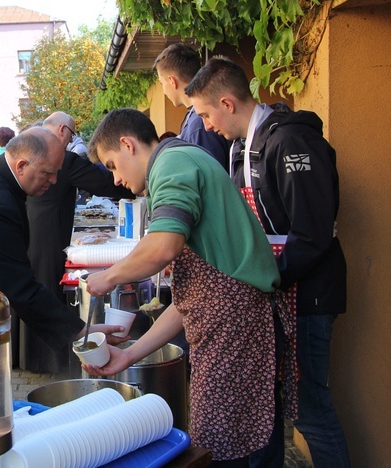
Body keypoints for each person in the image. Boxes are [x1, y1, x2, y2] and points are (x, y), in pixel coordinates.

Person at [82, 108, 296, 466]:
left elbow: (164, 246)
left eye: (112, 164)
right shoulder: (181, 160)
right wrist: (131, 354)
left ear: (127, 144)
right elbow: (190, 303)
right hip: (231, 324)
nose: (115, 179)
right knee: (237, 441)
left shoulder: (172, 164)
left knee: (234, 449)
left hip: (237, 330)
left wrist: (110, 276)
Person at [185, 56, 350, 468]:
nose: (205, 126)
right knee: (270, 402)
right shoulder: (241, 148)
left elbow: (312, 234)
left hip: (307, 296)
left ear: (227, 103)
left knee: (311, 411)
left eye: (206, 114)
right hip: (276, 294)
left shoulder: (290, 141)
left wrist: (262, 281)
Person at [0, 128, 126, 355]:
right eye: (48, 173)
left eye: (56, 172)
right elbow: (19, 286)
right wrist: (82, 332)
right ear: (21, 166)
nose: (54, 180)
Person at [22, 111, 134, 373]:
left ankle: (28, 356)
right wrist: (131, 179)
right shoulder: (64, 158)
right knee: (47, 287)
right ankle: (48, 360)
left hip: (30, 225)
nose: (73, 139)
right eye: (72, 134)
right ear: (62, 130)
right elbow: (102, 183)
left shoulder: (34, 149)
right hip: (49, 231)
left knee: (31, 287)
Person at [153, 43, 230, 171]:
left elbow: (208, 179)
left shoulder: (200, 125)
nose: (164, 91)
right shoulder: (194, 118)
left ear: (172, 81)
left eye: (162, 83)